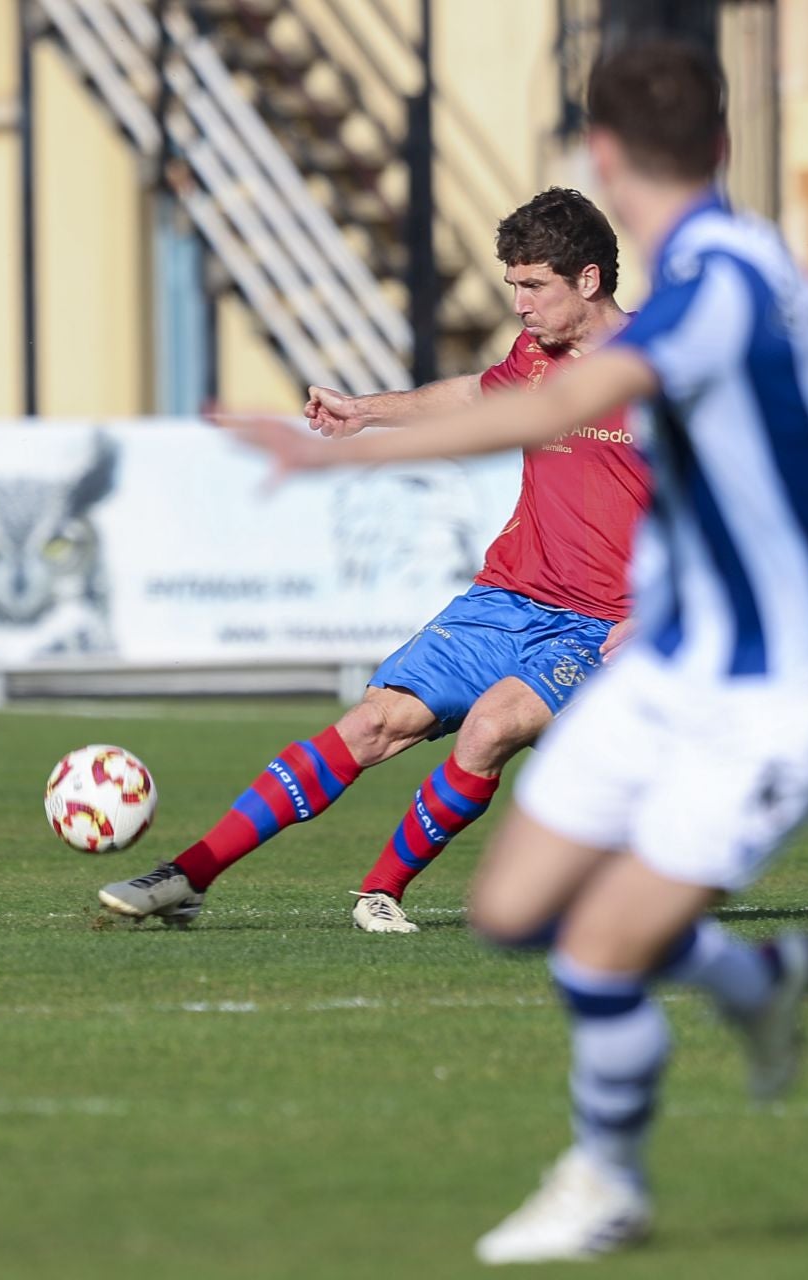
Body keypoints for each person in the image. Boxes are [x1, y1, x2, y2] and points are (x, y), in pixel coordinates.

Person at [226, 40, 808, 1265]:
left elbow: (547, 406)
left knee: (599, 942)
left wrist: (336, 450)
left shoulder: (723, 284)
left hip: (788, 673)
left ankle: (608, 1179)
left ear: (599, 155)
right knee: (515, 903)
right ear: (723, 148)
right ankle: (755, 984)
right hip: (687, 645)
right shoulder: (715, 268)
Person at [97, 188, 649, 934]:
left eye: (532, 286)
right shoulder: (535, 357)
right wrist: (364, 412)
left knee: (491, 727)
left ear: (588, 279)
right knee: (374, 723)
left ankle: (380, 891)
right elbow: (468, 397)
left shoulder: (661, 369)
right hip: (509, 596)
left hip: (603, 623)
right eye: (511, 284)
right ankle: (187, 876)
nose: (517, 303)